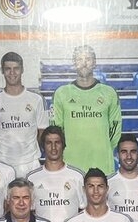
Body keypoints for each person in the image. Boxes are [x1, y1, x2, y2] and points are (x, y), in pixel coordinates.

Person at [51, 45, 121, 175]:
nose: (84, 63)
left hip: (102, 164)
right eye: (79, 59)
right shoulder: (61, 93)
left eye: (88, 59)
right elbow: (56, 130)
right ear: (74, 63)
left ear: (94, 62)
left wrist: (101, 147)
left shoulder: (109, 93)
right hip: (70, 165)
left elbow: (115, 131)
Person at [0, 51, 48, 178]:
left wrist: (27, 152)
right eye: (8, 69)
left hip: (30, 163)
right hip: (2, 163)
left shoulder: (37, 99)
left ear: (22, 69)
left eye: (16, 68)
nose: (12, 73)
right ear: (2, 71)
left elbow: (42, 133)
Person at [26, 125, 86, 222]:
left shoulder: (77, 176)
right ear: (43, 147)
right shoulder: (32, 178)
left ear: (63, 145)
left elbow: (85, 210)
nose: (53, 147)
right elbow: (28, 212)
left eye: (57, 142)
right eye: (49, 143)